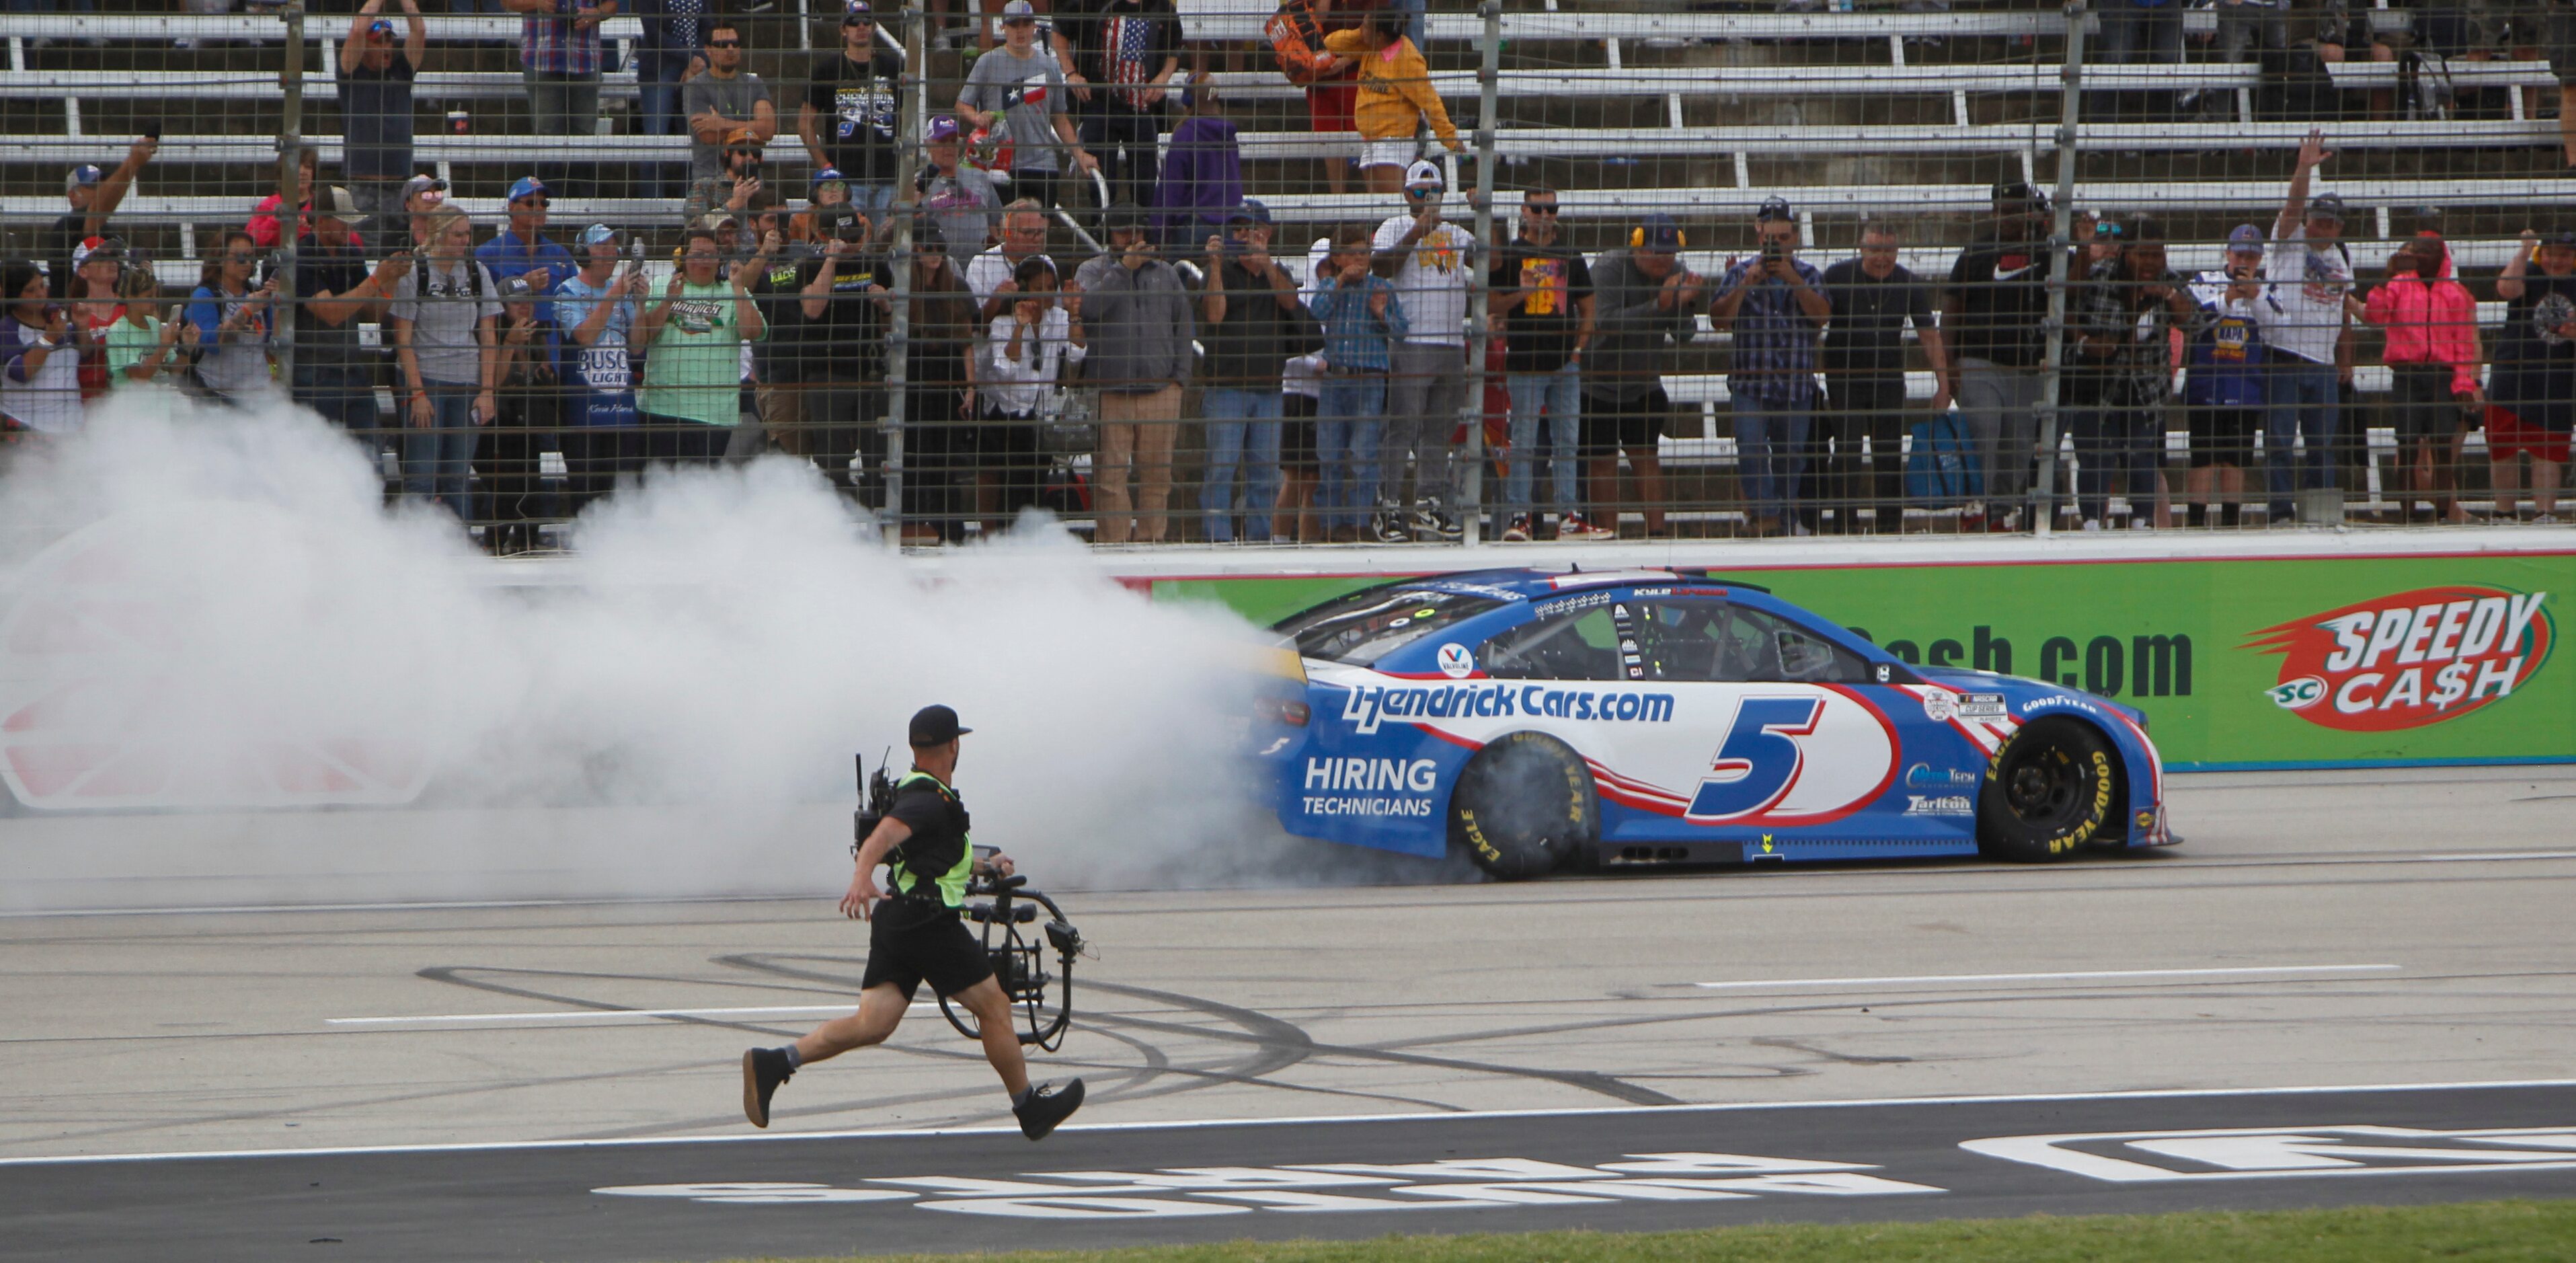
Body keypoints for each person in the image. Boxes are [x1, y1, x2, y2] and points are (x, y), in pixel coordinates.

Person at [740, 705, 1085, 1141]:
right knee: (994, 1006)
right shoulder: (927, 799)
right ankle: (1028, 1108)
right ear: (954, 746)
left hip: (898, 918)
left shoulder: (920, 793)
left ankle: (774, 1062)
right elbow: (883, 836)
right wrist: (860, 876)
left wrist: (983, 865)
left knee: (873, 1024)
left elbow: (927, 857)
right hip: (926, 922)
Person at [1816, 219, 1949, 536]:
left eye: (1889, 250)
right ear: (1862, 249)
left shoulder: (1908, 283)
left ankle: (1890, 526)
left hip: (1888, 378)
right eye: (1875, 249)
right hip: (1843, 376)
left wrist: (1944, 386)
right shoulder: (1837, 276)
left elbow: (1929, 336)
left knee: (1888, 452)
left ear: (1897, 250)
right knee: (1847, 450)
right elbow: (1813, 323)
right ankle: (1844, 525)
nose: (1881, 257)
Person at [2068, 214, 2201, 530]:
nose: (2151, 261)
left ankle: (2143, 521)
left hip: (2146, 385)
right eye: (2143, 254)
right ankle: (2091, 522)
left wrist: (2166, 294)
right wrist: (2087, 342)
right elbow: (2066, 306)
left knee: (2143, 455)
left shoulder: (2168, 280)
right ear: (2126, 252)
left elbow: (2192, 320)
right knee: (2096, 456)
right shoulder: (2100, 276)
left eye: (2157, 254)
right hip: (2097, 382)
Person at [1710, 198, 1830, 537]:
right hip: (1751, 384)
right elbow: (1719, 320)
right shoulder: (1740, 273)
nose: (1776, 244)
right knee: (1750, 450)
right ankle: (1766, 517)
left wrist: (1793, 280)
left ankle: (1785, 518)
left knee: (1792, 456)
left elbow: (1822, 315)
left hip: (1795, 385)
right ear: (1758, 234)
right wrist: (1746, 283)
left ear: (1793, 238)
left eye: (1783, 238)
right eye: (1770, 238)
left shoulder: (1808, 274)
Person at [1075, 203, 1194, 543]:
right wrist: (1123, 269)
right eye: (1124, 232)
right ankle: (1114, 546)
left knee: (1157, 477)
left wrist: (1179, 381)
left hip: (1161, 391)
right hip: (1111, 391)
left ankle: (1150, 544)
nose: (1132, 238)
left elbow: (1183, 326)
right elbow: (1088, 309)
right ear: (1109, 235)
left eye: (1138, 232)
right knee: (1110, 478)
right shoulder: (1092, 271)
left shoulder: (1167, 273)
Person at [2261, 130, 2362, 525]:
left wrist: (2346, 362)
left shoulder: (2341, 257)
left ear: (2340, 227)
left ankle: (2321, 514)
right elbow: (2291, 205)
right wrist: (2303, 167)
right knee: (2280, 441)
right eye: (2319, 221)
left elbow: (2344, 314)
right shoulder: (2291, 239)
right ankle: (2280, 512)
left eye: (2331, 223)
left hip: (2322, 363)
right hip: (2285, 356)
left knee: (2322, 444)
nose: (2324, 228)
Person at [1369, 159, 1473, 542]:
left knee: (1439, 430)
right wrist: (1416, 233)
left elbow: (1493, 262)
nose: (1428, 198)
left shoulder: (1457, 233)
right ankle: (1388, 505)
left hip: (1449, 342)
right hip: (1410, 341)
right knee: (1402, 427)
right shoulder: (1394, 227)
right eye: (1420, 192)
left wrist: (1485, 213)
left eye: (1435, 192)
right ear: (1406, 194)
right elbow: (1380, 266)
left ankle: (1429, 502)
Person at [1582, 213, 1703, 539]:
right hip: (1596, 380)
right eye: (1656, 253)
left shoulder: (1677, 273)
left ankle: (1658, 533)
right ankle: (1608, 533)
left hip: (1643, 380)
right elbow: (1603, 322)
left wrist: (1683, 304)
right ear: (1637, 248)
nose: (1664, 260)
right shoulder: (1609, 269)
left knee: (1646, 455)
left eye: (1670, 253)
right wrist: (1659, 304)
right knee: (1602, 460)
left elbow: (1684, 335)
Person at [1489, 187, 1600, 542]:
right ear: (1524, 211)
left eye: (1550, 208)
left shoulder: (1570, 254)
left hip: (1564, 362)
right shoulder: (1510, 254)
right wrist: (1522, 293)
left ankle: (1569, 515)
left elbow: (1588, 306)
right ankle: (1520, 516)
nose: (1544, 215)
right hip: (1524, 361)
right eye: (1537, 209)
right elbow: (1493, 305)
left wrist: (1578, 349)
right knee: (1523, 440)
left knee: (1567, 440)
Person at [1944, 180, 2052, 531]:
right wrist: (1948, 365)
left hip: (2027, 366)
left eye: (2016, 211)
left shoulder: (2048, 252)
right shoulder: (1977, 252)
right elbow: (1952, 307)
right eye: (2001, 211)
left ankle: (2000, 514)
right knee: (1984, 432)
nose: (2007, 218)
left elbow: (2074, 291)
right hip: (1979, 360)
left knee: (2019, 447)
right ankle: (1976, 508)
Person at [1196, 200, 1306, 543]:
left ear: (1267, 234)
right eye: (1238, 229)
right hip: (1226, 388)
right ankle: (1219, 542)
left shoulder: (1279, 273)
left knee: (1266, 477)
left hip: (1270, 389)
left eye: (1250, 228)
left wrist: (1268, 266)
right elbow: (1213, 315)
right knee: (1221, 471)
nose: (1243, 235)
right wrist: (1213, 266)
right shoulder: (1222, 270)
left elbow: (1291, 303)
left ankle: (1259, 543)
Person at [2364, 231, 2484, 524]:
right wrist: (2386, 277)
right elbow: (2375, 316)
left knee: (2443, 447)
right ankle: (2407, 513)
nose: (2420, 256)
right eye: (2417, 251)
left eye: (2428, 251)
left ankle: (2443, 514)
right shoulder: (2398, 285)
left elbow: (2463, 345)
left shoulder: (2455, 294)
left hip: (2441, 378)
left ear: (2442, 257)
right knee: (2406, 446)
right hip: (2407, 375)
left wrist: (2465, 384)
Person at [391, 206, 502, 521]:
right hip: (427, 378)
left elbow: (489, 335)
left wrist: (487, 390)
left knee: (458, 476)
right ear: (438, 234)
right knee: (422, 474)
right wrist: (417, 394)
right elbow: (403, 338)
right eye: (458, 234)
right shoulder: (415, 273)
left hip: (467, 380)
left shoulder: (478, 272)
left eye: (467, 234)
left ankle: (458, 546)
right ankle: (416, 544)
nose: (465, 241)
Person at [639, 225, 769, 467]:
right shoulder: (660, 285)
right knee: (659, 488)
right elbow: (643, 337)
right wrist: (668, 301)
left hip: (714, 414)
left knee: (703, 490)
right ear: (682, 257)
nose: (705, 260)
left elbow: (753, 332)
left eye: (711, 254)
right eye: (698, 254)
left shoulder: (734, 290)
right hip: (661, 409)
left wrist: (739, 288)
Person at [286, 187, 407, 445]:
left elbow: (374, 313)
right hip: (316, 375)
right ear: (321, 221)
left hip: (353, 369)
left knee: (372, 452)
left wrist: (391, 281)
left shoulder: (351, 253)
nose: (348, 229)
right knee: (319, 454)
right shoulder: (302, 255)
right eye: (342, 222)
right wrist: (377, 279)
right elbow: (330, 313)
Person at [1306, 229, 1405, 543]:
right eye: (1353, 253)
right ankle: (1331, 526)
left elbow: (1401, 331)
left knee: (1363, 455)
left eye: (1365, 253)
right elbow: (1315, 315)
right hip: (1335, 380)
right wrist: (1337, 283)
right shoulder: (1327, 285)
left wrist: (1381, 313)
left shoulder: (1382, 287)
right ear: (1337, 258)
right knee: (1329, 455)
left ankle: (1360, 523)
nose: (1360, 259)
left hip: (1369, 379)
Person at [958, 1, 1100, 211]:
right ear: (1003, 28)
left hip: (1042, 164)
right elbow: (962, 104)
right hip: (1000, 164)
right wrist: (977, 118)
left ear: (1034, 27)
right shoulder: (988, 62)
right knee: (1005, 231)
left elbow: (1060, 118)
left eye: (1026, 24)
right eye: (1014, 24)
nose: (1020, 30)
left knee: (1039, 232)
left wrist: (1079, 154)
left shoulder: (1049, 65)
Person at [982, 255, 1085, 531]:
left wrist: (1074, 311)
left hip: (1042, 414)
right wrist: (1020, 326)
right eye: (1041, 286)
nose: (1048, 293)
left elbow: (1077, 353)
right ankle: (1007, 541)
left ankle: (1033, 541)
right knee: (1012, 486)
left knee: (1037, 483)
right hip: (1008, 414)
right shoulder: (1003, 322)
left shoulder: (1060, 318)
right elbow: (1006, 369)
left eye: (1052, 286)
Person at [797, 205, 892, 503]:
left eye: (854, 236)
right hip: (828, 372)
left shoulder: (877, 265)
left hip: (871, 371)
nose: (850, 243)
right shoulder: (808, 267)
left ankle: (877, 513)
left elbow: (895, 322)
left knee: (877, 451)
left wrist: (886, 305)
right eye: (842, 237)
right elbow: (813, 308)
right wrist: (831, 261)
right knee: (832, 453)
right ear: (823, 236)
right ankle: (835, 515)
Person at [553, 224, 649, 516]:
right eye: (603, 246)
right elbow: (584, 336)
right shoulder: (566, 291)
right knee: (585, 489)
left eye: (614, 247)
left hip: (621, 410)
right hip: (582, 412)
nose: (612, 253)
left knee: (619, 492)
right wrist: (615, 294)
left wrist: (641, 305)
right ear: (584, 253)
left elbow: (637, 347)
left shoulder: (621, 292)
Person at [1053, 0, 1185, 213]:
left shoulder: (1161, 6)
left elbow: (1175, 47)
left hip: (1143, 107)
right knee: (1102, 181)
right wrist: (1071, 74)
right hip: (1097, 105)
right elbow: (1059, 31)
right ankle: (1103, 234)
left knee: (1146, 183)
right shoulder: (1089, 4)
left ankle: (1144, 238)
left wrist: (1162, 78)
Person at [890, 247, 982, 543]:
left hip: (947, 383)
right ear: (916, 253)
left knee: (946, 462)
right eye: (928, 249)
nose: (935, 256)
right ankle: (917, 531)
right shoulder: (905, 289)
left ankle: (952, 533)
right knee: (914, 459)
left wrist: (970, 387)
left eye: (939, 250)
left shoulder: (956, 287)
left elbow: (966, 342)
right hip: (913, 384)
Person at [2183, 225, 2271, 529]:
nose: (2245, 261)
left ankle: (2231, 525)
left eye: (2252, 256)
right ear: (2228, 253)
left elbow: (2279, 327)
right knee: (2204, 458)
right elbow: (2190, 319)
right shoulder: (2203, 281)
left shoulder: (2269, 287)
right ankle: (2195, 524)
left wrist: (2255, 297)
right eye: (2240, 254)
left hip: (2246, 389)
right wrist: (2227, 299)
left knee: (2236, 460)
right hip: (2206, 385)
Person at [2485, 227, 2574, 523]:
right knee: (2502, 446)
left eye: (2563, 255)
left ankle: (2545, 513)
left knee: (2548, 449)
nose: (2555, 260)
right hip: (2513, 371)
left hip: (2557, 376)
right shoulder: (2529, 270)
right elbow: (2506, 290)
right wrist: (2525, 251)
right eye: (2549, 253)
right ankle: (2504, 513)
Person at [1323, 7, 1460, 196]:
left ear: (1380, 36)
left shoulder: (1408, 60)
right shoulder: (1370, 46)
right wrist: (1361, 33)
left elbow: (1430, 101)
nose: (1360, 29)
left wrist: (1449, 137)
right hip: (1371, 139)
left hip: (1393, 140)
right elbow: (1331, 43)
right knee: (1377, 209)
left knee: (1392, 206)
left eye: (1365, 27)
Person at [801, 1, 907, 216]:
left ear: (874, 26)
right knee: (851, 240)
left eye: (867, 21)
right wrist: (825, 166)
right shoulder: (827, 70)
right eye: (854, 22)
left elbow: (908, 117)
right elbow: (804, 122)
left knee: (885, 242)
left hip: (889, 176)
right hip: (845, 179)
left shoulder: (894, 67)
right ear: (843, 29)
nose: (861, 27)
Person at [483, 275, 561, 553]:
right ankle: (494, 544)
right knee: (507, 490)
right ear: (503, 305)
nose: (524, 306)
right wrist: (509, 343)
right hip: (498, 426)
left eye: (528, 300)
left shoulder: (537, 334)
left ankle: (526, 542)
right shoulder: (491, 332)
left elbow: (546, 384)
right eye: (517, 301)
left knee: (533, 488)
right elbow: (495, 382)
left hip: (528, 423)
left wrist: (545, 374)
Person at [506, 0, 617, 194]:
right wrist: (538, 2)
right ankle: (547, 206)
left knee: (585, 136)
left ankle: (585, 208)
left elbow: (612, 5)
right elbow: (507, 2)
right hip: (541, 57)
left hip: (584, 57)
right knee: (547, 136)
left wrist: (595, 13)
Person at [44, 137, 157, 304]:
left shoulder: (108, 230)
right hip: (76, 315)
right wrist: (132, 163)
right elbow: (96, 212)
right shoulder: (69, 225)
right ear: (73, 195)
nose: (101, 191)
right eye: (93, 187)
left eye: (103, 186)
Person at [1266, 0, 1359, 195]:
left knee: (1362, 143)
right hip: (1319, 78)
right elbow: (1306, 20)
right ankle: (1339, 208)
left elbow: (1377, 33)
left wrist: (1346, 60)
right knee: (1330, 145)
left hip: (1355, 75)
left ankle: (1369, 212)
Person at [184, 230, 278, 407]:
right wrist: (247, 311)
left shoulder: (256, 295)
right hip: (218, 397)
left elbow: (274, 345)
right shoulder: (206, 296)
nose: (245, 263)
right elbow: (213, 343)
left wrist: (279, 302)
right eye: (237, 256)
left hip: (260, 397)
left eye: (250, 256)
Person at [1148, 79, 1243, 252]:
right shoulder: (1229, 137)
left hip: (1194, 227)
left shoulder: (1186, 134)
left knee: (1182, 277)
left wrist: (1157, 232)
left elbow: (1171, 189)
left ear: (1188, 101)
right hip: (1229, 226)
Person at [684, 20, 777, 185]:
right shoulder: (696, 86)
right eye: (722, 44)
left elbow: (768, 130)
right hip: (709, 180)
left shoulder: (755, 84)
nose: (730, 49)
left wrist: (722, 123)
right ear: (708, 50)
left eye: (735, 44)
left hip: (752, 179)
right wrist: (751, 128)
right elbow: (709, 135)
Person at [475, 176, 577, 324]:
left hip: (552, 344)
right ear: (511, 207)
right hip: (509, 344)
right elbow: (476, 308)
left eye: (544, 203)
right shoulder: (487, 254)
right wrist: (521, 285)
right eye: (531, 203)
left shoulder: (560, 254)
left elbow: (575, 306)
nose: (539, 208)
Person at [0, 260, 81, 437]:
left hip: (70, 429)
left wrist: (82, 327)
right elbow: (20, 373)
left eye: (42, 286)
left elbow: (87, 358)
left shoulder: (59, 321)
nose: (40, 293)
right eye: (30, 290)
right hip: (28, 429)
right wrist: (49, 339)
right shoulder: (6, 329)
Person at [631, 0, 701, 200]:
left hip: (694, 68)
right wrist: (690, 56)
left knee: (695, 135)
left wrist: (697, 60)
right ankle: (651, 211)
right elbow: (653, 33)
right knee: (655, 138)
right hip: (659, 68)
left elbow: (707, 27)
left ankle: (693, 206)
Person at [916, 116, 1005, 266]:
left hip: (981, 268)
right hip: (940, 268)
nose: (949, 147)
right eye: (942, 142)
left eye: (953, 141)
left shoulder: (980, 177)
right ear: (928, 144)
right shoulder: (918, 184)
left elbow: (996, 224)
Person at [247, 148, 360, 253]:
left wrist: (318, 229)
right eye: (297, 166)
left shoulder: (325, 203)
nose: (303, 172)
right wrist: (277, 219)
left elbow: (356, 242)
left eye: (308, 167)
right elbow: (251, 242)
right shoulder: (269, 205)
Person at [106, 265, 199, 391]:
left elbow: (175, 370)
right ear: (130, 298)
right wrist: (165, 345)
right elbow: (138, 378)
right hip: (131, 405)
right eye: (149, 296)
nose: (155, 301)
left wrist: (187, 348)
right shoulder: (117, 331)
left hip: (158, 404)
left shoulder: (154, 324)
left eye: (156, 295)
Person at [966, 201, 1056, 324]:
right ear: (1008, 233)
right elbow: (975, 324)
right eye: (1029, 232)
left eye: (1040, 232)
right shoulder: (981, 264)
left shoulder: (1046, 262)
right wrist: (997, 299)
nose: (1037, 239)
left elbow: (1055, 312)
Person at [65, 237, 128, 404]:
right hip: (92, 404)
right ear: (83, 272)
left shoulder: (131, 306)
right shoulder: (76, 312)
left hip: (130, 397)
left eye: (113, 256)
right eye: (101, 257)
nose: (111, 261)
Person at [684, 128, 779, 227]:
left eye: (756, 153)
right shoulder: (704, 186)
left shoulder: (768, 190)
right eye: (743, 151)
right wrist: (733, 204)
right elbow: (694, 228)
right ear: (728, 153)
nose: (750, 157)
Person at [399, 174, 449, 254]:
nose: (434, 200)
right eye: (426, 196)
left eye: (438, 194)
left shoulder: (452, 234)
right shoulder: (395, 238)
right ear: (409, 205)